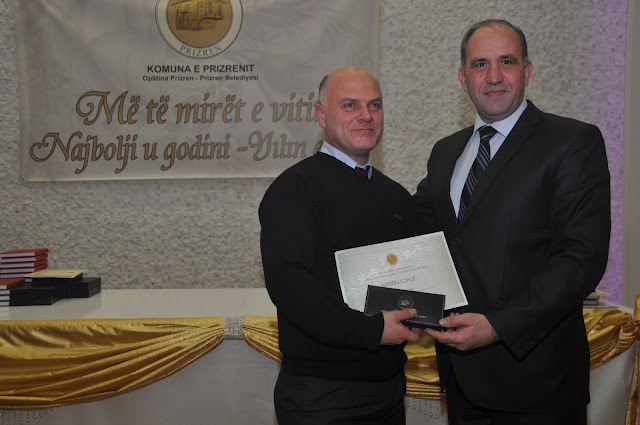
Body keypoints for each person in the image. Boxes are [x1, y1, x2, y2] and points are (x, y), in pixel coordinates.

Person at [414, 20, 611, 424]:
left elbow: (582, 258)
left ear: (527, 70)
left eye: (506, 61)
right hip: (461, 380)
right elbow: (418, 232)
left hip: (538, 387)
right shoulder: (445, 152)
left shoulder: (572, 142)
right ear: (463, 78)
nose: (493, 77)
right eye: (479, 64)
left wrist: (498, 326)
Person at [259, 66, 422, 425]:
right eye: (350, 105)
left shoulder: (396, 196)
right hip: (323, 394)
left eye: (374, 105)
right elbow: (290, 284)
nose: (366, 115)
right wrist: (372, 330)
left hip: (389, 385)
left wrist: (430, 313)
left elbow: (415, 276)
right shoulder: (295, 189)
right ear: (321, 115)